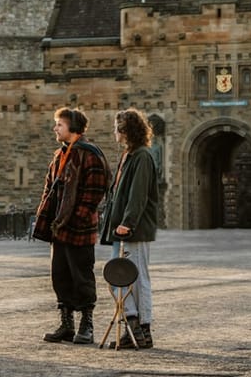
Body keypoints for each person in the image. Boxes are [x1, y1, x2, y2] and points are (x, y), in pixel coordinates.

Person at [33, 107, 110, 345]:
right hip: (59, 227)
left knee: (82, 276)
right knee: (60, 276)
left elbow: (94, 192)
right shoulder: (60, 154)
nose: (55, 128)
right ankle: (66, 325)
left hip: (79, 228)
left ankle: (87, 325)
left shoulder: (90, 154)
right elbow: (50, 188)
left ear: (73, 127)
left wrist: (77, 217)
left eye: (59, 124)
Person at [100, 108, 159, 349]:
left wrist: (128, 223)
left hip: (132, 229)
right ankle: (133, 324)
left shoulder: (142, 157)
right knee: (119, 279)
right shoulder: (129, 155)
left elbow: (138, 195)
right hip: (120, 228)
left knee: (137, 278)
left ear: (126, 131)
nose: (114, 132)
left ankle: (141, 328)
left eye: (116, 128)